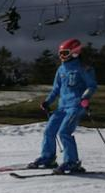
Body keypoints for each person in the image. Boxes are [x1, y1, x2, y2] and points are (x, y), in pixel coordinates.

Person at [28, 38, 98, 174]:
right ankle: (48, 158)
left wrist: (85, 98)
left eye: (65, 53)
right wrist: (48, 101)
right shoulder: (61, 69)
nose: (61, 56)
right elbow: (56, 89)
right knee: (49, 131)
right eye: (60, 53)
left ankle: (72, 163)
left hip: (76, 106)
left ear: (75, 52)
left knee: (64, 132)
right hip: (62, 106)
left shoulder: (84, 68)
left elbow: (92, 86)